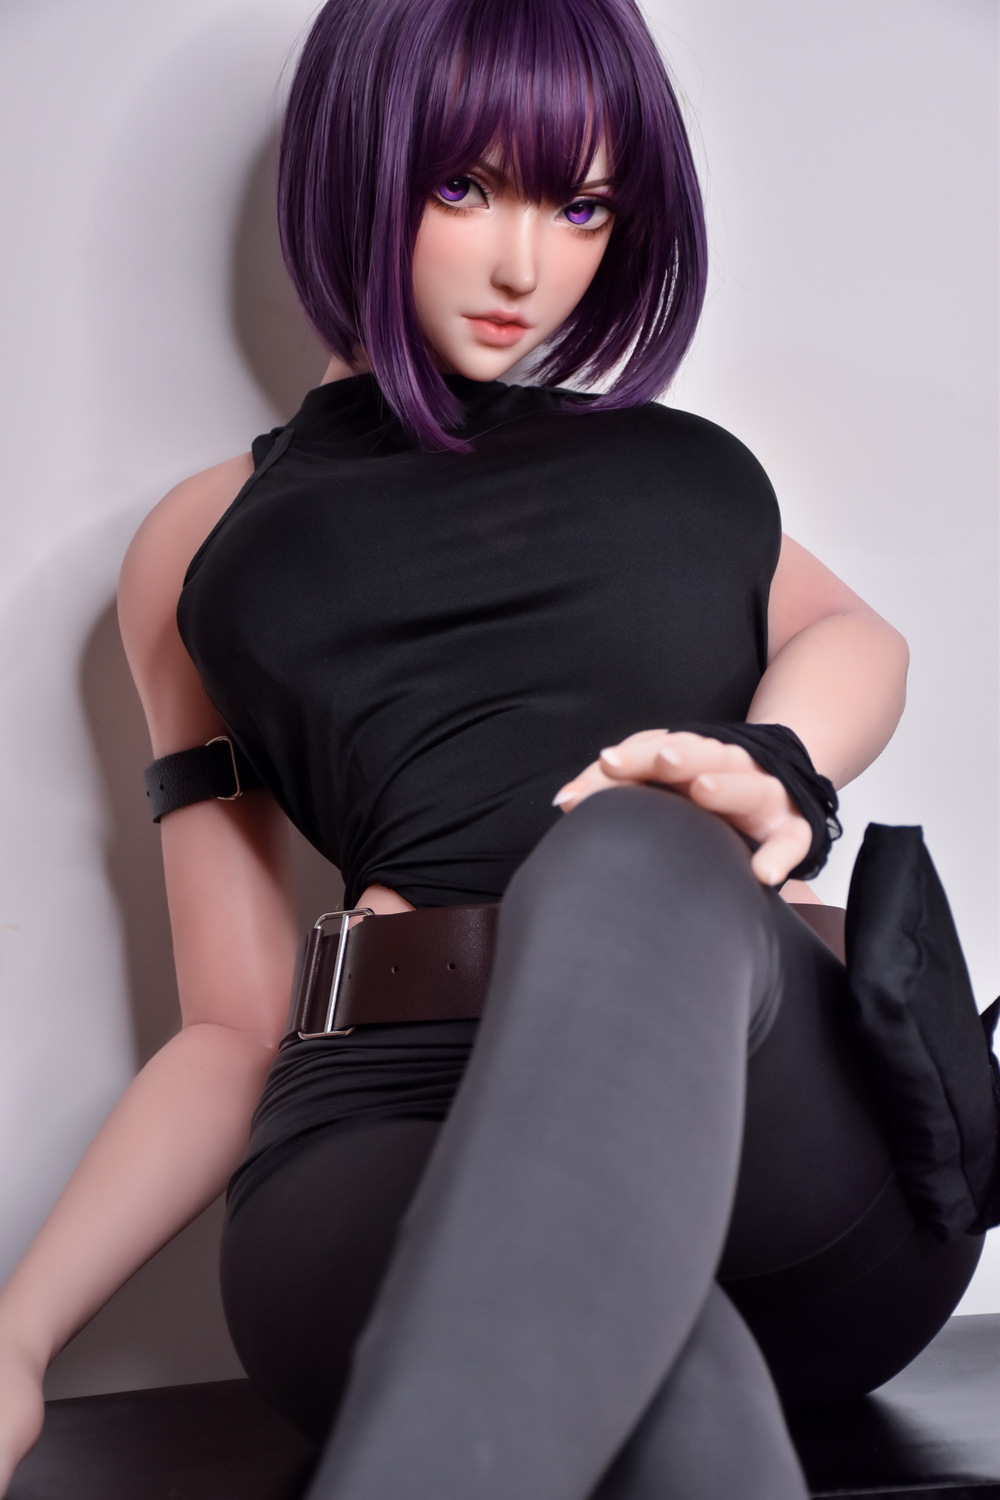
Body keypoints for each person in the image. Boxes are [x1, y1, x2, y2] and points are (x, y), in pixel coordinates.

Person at [0, 0, 986, 1495]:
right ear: (353, 166)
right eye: (463, 187)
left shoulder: (682, 472)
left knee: (635, 841)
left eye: (580, 206)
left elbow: (863, 640)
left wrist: (772, 761)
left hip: (770, 1141)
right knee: (661, 1370)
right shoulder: (202, 546)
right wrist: (19, 1335)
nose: (526, 266)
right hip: (385, 1114)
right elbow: (230, 1026)